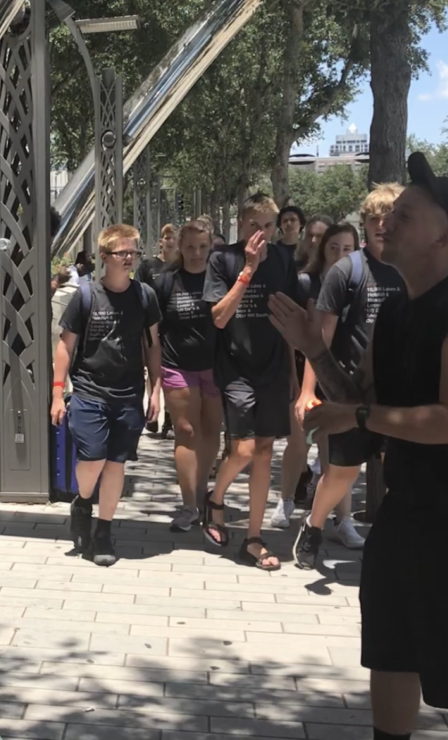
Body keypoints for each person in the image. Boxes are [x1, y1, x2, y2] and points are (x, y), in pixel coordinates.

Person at [269, 151, 448, 737]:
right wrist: (315, 350)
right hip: (406, 510)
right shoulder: (395, 313)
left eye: (406, 215)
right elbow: (356, 397)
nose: (387, 222)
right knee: (391, 647)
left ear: (444, 237)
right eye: (388, 213)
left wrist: (355, 411)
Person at [291, 183, 406, 567]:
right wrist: (308, 391)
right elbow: (318, 338)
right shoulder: (347, 271)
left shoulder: (412, 268)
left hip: (399, 393)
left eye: (389, 219)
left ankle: (397, 543)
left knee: (401, 471)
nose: (380, 226)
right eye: (373, 219)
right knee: (342, 473)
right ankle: (313, 526)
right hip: (348, 392)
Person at [51, 224, 162, 567]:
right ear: (104, 257)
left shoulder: (145, 296)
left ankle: (104, 531)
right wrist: (58, 393)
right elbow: (65, 347)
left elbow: (153, 345)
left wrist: (155, 390)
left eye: (133, 252)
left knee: (116, 463)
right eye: (121, 253)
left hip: (128, 393)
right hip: (89, 390)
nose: (129, 258)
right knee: (93, 457)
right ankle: (83, 502)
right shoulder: (84, 296)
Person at [202, 193, 297, 570]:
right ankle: (215, 498)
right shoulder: (221, 259)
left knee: (263, 453)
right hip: (236, 368)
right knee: (241, 450)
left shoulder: (285, 260)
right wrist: (247, 272)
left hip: (273, 370)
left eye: (268, 226)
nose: (261, 233)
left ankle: (254, 538)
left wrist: (294, 375)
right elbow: (219, 318)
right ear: (241, 224)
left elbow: (288, 320)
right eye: (254, 225)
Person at [272, 223, 358, 529]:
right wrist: (292, 376)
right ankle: (285, 503)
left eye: (347, 248)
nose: (340, 254)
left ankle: (341, 519)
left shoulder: (359, 281)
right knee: (299, 442)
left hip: (342, 376)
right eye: (334, 247)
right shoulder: (305, 282)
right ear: (323, 249)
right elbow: (287, 330)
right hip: (303, 369)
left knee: (335, 451)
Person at [153, 221, 221, 533]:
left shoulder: (220, 280)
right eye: (191, 246)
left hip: (217, 367)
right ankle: (188, 505)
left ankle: (203, 492)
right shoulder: (166, 281)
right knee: (186, 431)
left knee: (210, 430)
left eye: (203, 247)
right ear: (181, 247)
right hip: (177, 365)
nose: (196, 253)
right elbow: (154, 331)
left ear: (211, 247)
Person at [136, 224, 179, 436]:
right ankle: (152, 413)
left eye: (173, 237)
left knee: (171, 373)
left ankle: (169, 418)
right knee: (152, 371)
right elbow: (138, 291)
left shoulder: (181, 267)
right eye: (166, 237)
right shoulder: (148, 266)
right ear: (160, 241)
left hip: (173, 327)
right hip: (150, 326)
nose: (170, 241)